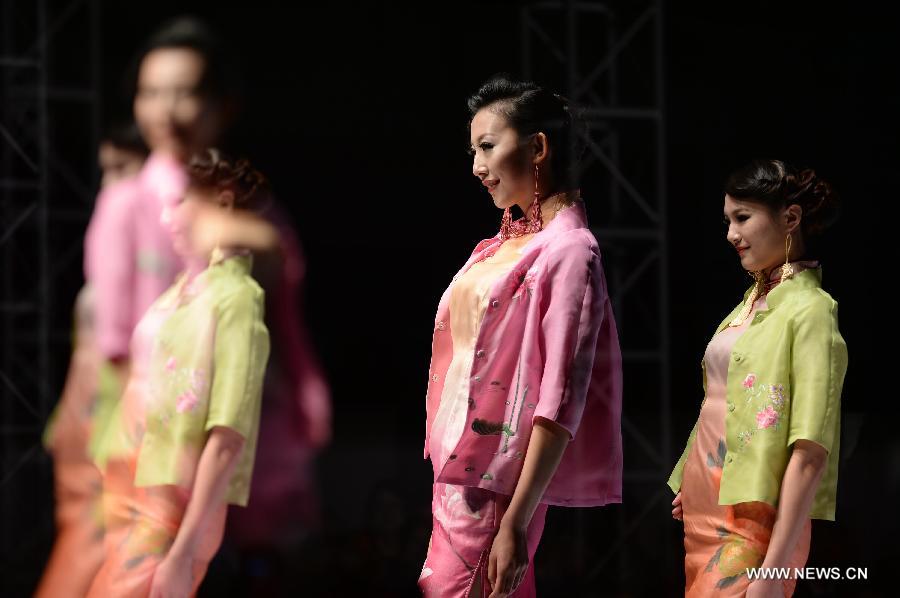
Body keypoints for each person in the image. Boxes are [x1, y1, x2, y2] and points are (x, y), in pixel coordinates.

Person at [419, 75, 623, 598]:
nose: (476, 166)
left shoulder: (570, 251)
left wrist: (516, 517)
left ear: (538, 148)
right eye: (473, 150)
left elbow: (561, 399)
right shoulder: (498, 246)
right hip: (458, 470)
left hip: (498, 483)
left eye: (488, 146)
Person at [87, 149, 270, 597]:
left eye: (178, 203)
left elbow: (228, 435)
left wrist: (185, 549)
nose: (166, 219)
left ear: (223, 204)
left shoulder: (239, 299)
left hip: (170, 509)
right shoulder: (182, 291)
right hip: (133, 494)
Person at [668, 160, 847, 597]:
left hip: (754, 525)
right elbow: (719, 400)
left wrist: (777, 570)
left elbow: (810, 451)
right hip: (705, 512)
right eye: (728, 220)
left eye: (743, 218)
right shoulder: (749, 305)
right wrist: (688, 475)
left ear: (790, 218)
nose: (731, 234)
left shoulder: (812, 310)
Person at [35, 121, 149, 598]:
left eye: (121, 169)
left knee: (102, 530)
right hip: (84, 410)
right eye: (104, 172)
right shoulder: (111, 244)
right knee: (81, 525)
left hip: (117, 411)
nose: (109, 185)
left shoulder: (156, 257)